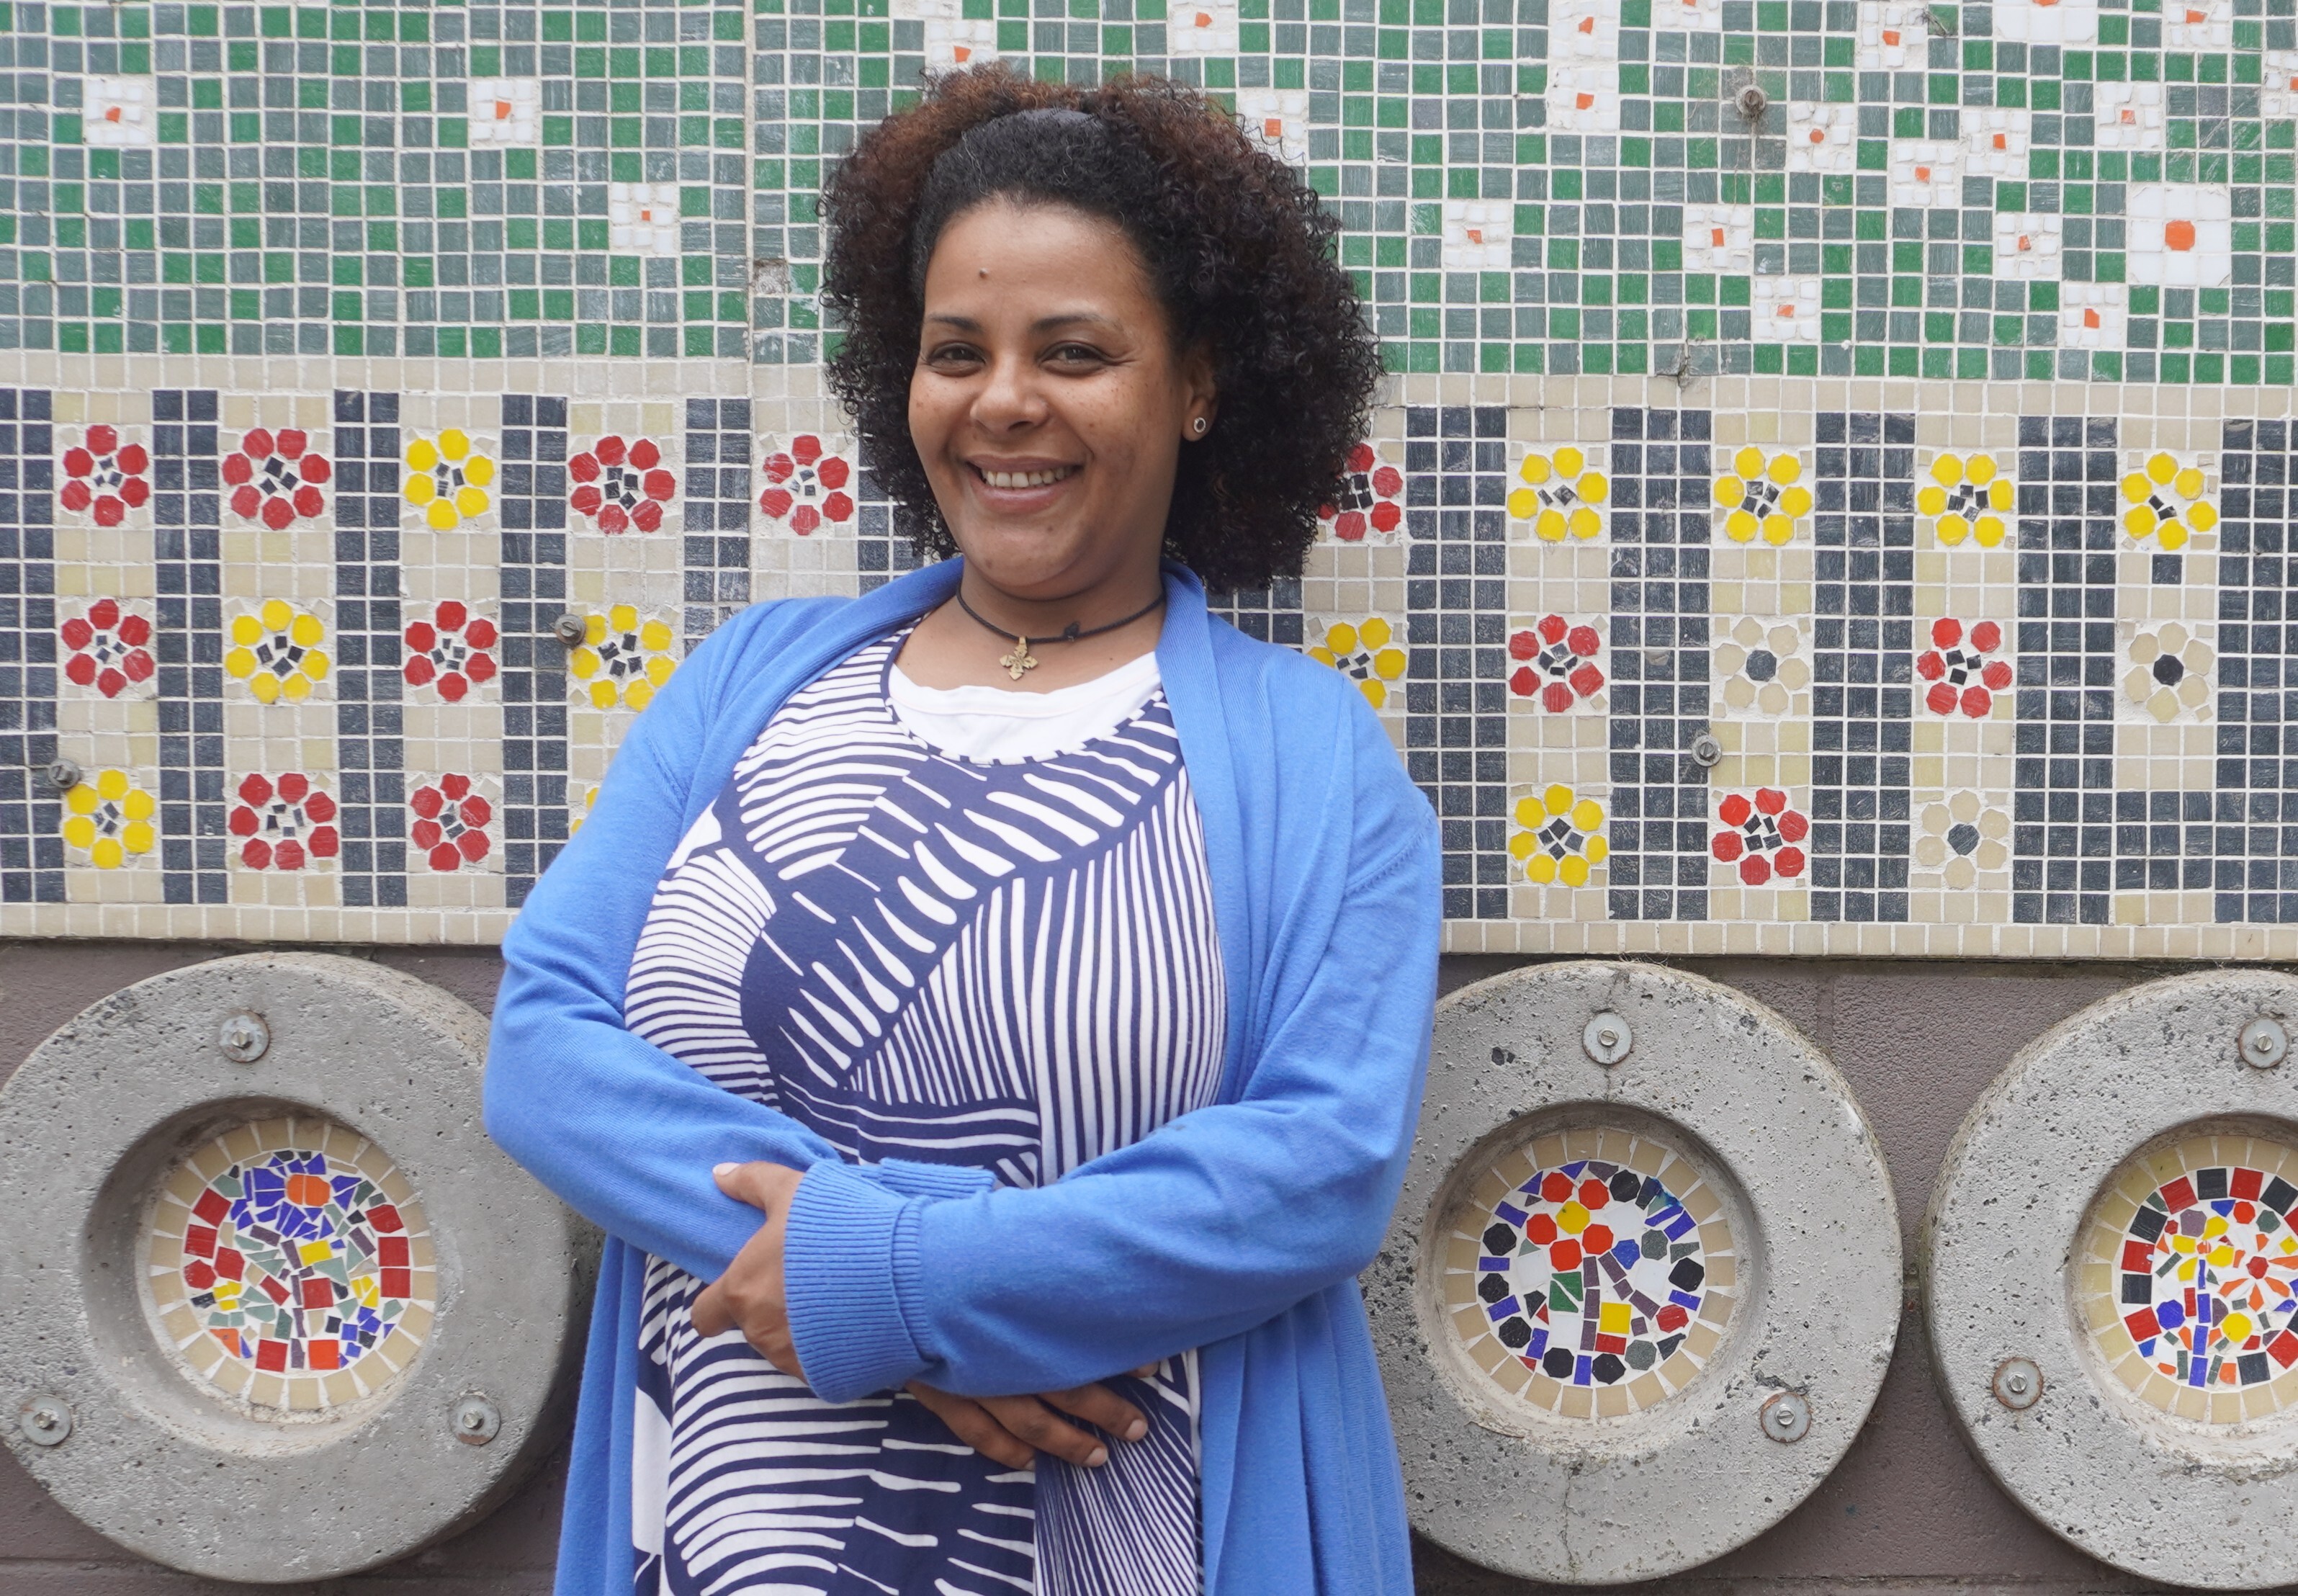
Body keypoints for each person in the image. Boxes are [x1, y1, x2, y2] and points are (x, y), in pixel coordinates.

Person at [485, 64, 1440, 1596]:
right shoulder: (750, 679)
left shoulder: (1314, 759)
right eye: (955, 351)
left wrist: (888, 1281)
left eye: (1074, 351)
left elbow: (1316, 1169)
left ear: (1197, 383)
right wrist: (898, 1298)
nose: (1003, 402)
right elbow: (545, 1051)